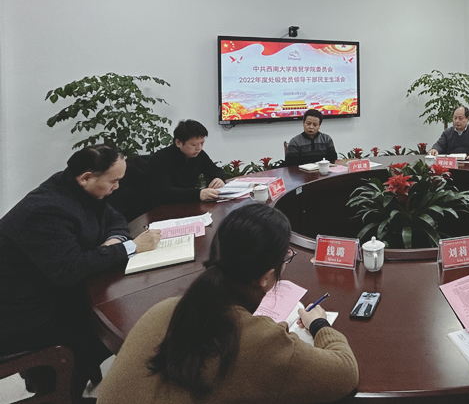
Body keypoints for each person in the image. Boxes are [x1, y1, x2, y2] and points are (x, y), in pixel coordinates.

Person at [97, 204, 359, 404]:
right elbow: (345, 373)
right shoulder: (261, 341)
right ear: (266, 277)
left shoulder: (165, 309)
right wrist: (320, 324)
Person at [0, 145, 161, 403]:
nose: (117, 187)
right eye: (114, 181)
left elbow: (115, 219)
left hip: (51, 292)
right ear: (86, 177)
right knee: (106, 332)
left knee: (111, 316)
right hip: (18, 315)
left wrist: (114, 242)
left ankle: (60, 381)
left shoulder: (80, 189)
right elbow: (70, 269)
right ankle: (57, 392)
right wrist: (129, 247)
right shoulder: (45, 209)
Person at [148, 119, 228, 202]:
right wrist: (198, 194)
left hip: (188, 204)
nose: (199, 148)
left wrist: (219, 178)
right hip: (162, 206)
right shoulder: (160, 159)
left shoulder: (198, 154)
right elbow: (164, 193)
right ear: (178, 143)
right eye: (194, 145)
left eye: (202, 143)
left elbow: (215, 170)